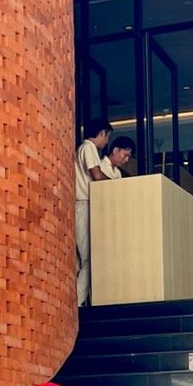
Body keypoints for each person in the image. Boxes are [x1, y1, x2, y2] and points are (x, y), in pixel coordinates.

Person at [75, 121, 115, 303]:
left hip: (82, 205)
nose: (107, 142)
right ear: (101, 133)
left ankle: (79, 302)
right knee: (89, 260)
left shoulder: (84, 149)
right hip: (84, 204)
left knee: (85, 259)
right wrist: (117, 185)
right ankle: (77, 303)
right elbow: (97, 175)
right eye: (107, 136)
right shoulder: (89, 147)